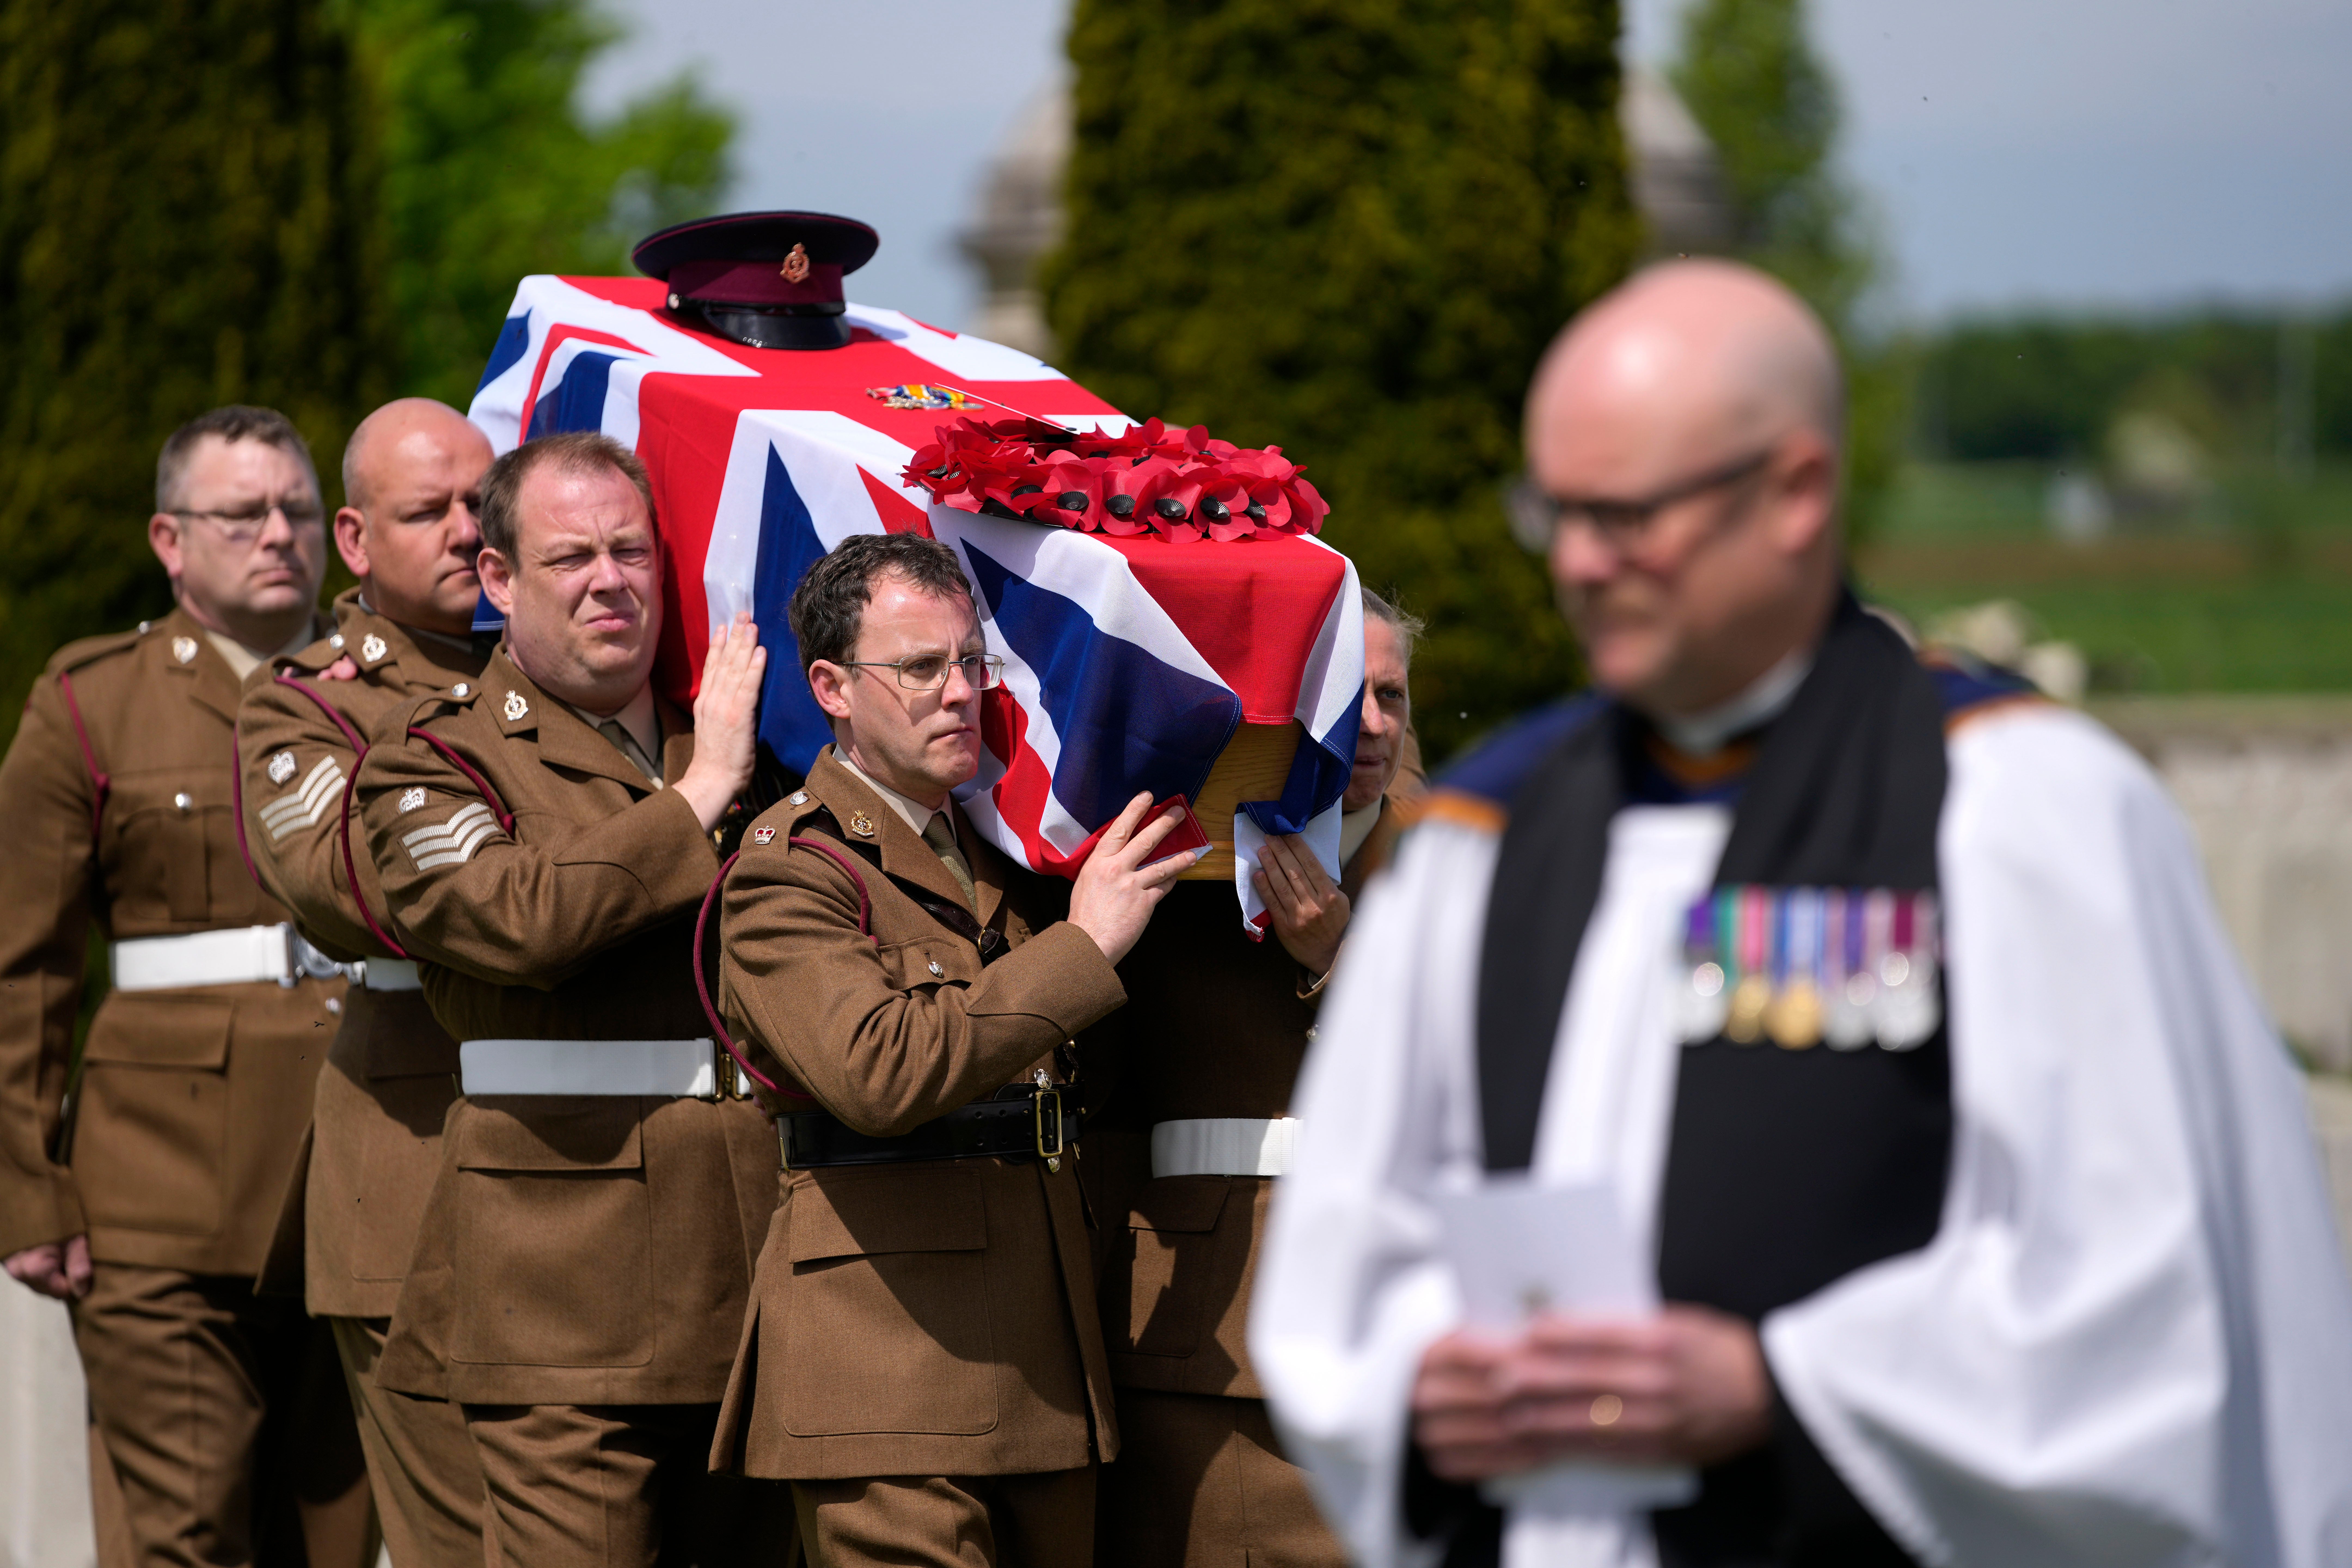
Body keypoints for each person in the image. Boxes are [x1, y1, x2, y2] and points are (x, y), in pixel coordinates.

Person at [1249, 259, 2352, 1568]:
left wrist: (1784, 1390)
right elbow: (1349, 1268)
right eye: (1559, 513)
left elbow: (2156, 1297)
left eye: (1628, 514)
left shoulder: (2022, 813)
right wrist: (1423, 1380)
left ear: (1797, 494)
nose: (1583, 563)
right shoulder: (1486, 841)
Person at [707, 531, 1193, 1568]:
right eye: (922, 667)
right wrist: (1082, 946)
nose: (962, 693)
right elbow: (879, 1070)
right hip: (885, 1371)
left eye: (972, 662)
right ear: (833, 689)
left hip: (1045, 1369)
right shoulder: (789, 871)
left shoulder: (1013, 852)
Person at [352, 430, 779, 1566]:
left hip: (754, 1265)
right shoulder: (432, 758)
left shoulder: (739, 736)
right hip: (558, 1285)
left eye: (631, 552)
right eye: (571, 557)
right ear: (498, 579)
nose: (610, 581)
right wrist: (699, 796)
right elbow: (518, 921)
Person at [0, 405, 374, 1567]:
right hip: (157, 1192)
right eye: (242, 514)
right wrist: (25, 1189)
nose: (278, 534)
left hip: (362, 1174)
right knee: (187, 1539)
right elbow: (23, 969)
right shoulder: (93, 699)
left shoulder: (391, 687)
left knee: (335, 1541)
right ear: (170, 541)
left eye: (297, 509)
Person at [1089, 588, 1426, 1568]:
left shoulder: (1464, 859)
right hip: (1206, 1325)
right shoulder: (1184, 863)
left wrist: (1338, 959)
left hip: (1399, 1318)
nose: (1372, 725)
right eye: (1349, 696)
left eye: (1393, 697)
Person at [238, 398, 497, 1565]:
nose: (465, 530)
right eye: (427, 510)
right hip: (412, 1170)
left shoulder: (571, 677)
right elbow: (359, 889)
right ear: (353, 538)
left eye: (482, 503)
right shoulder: (310, 700)